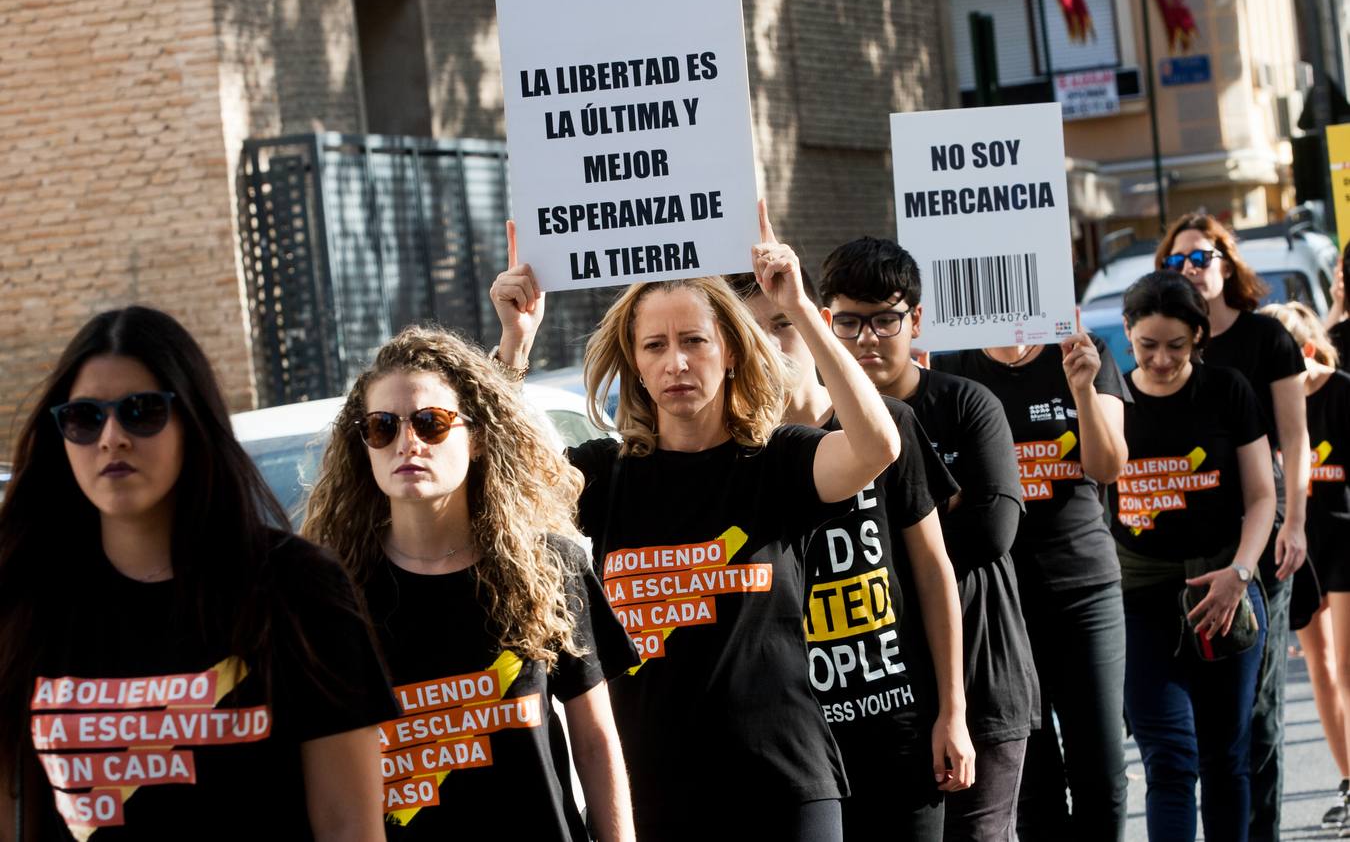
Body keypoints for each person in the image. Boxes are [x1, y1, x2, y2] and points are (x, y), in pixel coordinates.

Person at [490, 203, 902, 840]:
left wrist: (798, 309)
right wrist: (514, 351)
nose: (676, 363)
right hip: (651, 796)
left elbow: (877, 446)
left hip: (785, 789)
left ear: (731, 352)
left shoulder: (777, 461)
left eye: (694, 341)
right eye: (655, 345)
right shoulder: (603, 475)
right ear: (635, 363)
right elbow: (498, 492)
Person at [0, 306, 397, 840]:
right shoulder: (24, 596)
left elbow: (349, 825)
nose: (111, 436)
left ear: (193, 421)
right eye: (84, 417)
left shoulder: (298, 588)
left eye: (141, 411)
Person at [301, 326, 638, 841]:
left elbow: (594, 739)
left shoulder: (547, 566)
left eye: (431, 423)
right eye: (382, 426)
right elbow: (325, 781)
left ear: (476, 438)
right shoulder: (333, 594)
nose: (406, 442)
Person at [729, 269, 973, 840]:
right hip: (795, 746)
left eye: (786, 323)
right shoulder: (737, 456)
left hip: (898, 727)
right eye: (752, 331)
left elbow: (935, 572)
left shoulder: (890, 425)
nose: (771, 344)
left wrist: (953, 711)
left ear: (819, 325)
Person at [819, 236, 1039, 842]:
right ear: (826, 324)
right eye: (850, 322)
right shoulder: (816, 426)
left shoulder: (967, 403)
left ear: (914, 320)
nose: (867, 338)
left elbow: (993, 531)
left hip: (980, 671)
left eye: (885, 319)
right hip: (881, 692)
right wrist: (938, 506)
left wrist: (895, 534)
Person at [932, 304, 1130, 840]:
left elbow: (1109, 467)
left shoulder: (1082, 353)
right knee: (1033, 781)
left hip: (1083, 588)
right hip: (998, 601)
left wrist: (1083, 390)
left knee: (1102, 773)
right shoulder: (950, 364)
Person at [1154, 213, 1309, 840]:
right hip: (1184, 554)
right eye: (1178, 261)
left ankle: (1258, 830)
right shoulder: (1167, 347)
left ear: (1228, 262)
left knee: (1258, 712)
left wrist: (1293, 523)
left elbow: (1296, 440)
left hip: (1260, 542)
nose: (1192, 268)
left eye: (1203, 256)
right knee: (1197, 722)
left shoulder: (1267, 341)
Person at [1110, 270, 1274, 841]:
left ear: (1199, 338)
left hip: (1225, 592)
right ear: (1127, 333)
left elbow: (1261, 497)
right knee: (1170, 758)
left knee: (1225, 759)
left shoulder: (1228, 390)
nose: (1160, 360)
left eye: (1176, 346)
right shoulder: (1112, 401)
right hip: (1138, 601)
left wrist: (1240, 574)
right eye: (1146, 345)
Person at [1261, 301, 1350, 831]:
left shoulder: (1341, 391)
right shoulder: (1268, 403)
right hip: (1298, 545)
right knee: (1321, 668)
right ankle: (1348, 778)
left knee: (1348, 666)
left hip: (1345, 539)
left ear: (1307, 352)